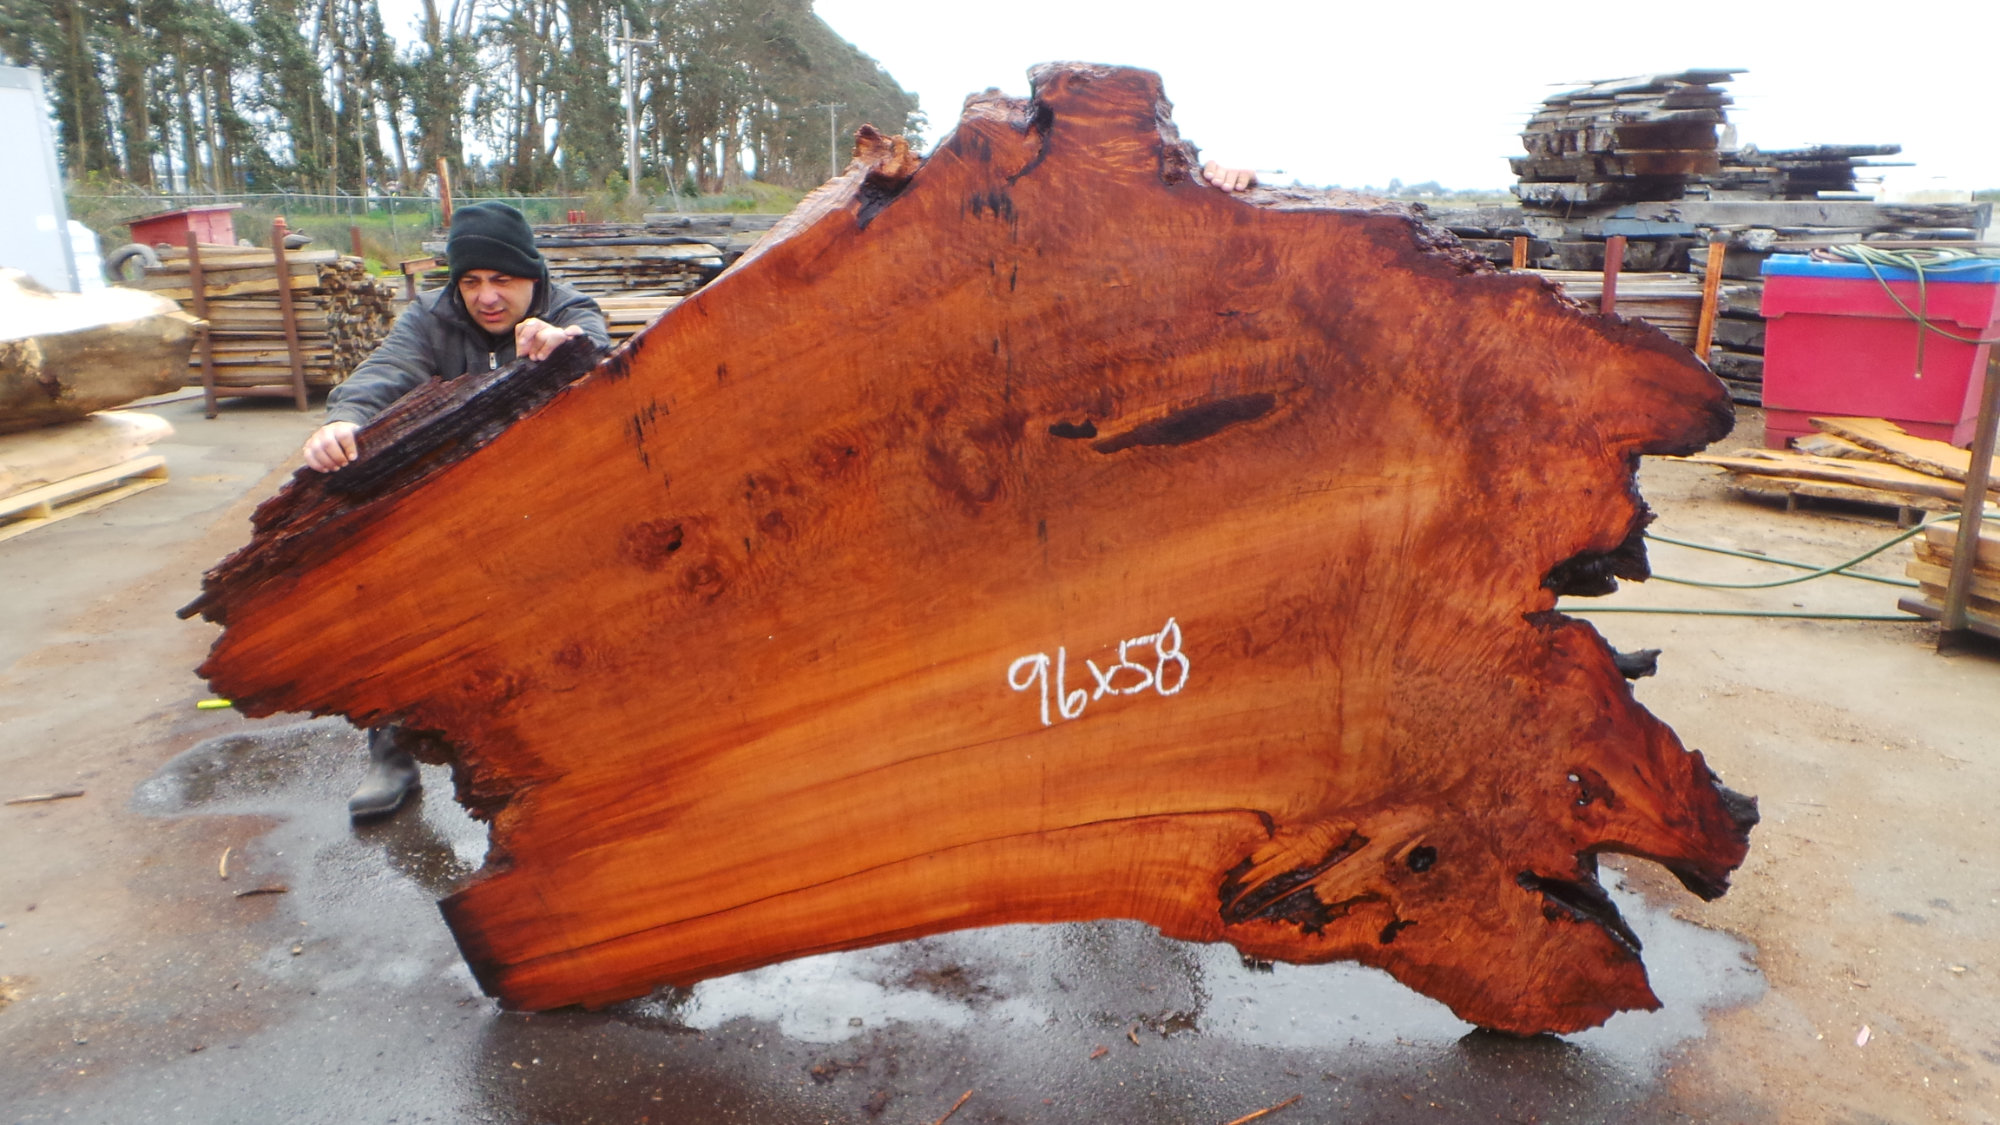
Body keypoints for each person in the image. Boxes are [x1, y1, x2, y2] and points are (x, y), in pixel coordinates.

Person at [302, 201, 610, 820]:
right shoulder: (431, 317)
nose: (486, 297)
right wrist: (343, 420)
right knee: (387, 588)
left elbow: (597, 343)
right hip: (449, 497)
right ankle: (390, 746)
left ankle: (569, 748)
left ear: (532, 277)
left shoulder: (565, 307)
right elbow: (387, 370)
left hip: (546, 499)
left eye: (502, 280)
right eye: (471, 281)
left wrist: (565, 345)